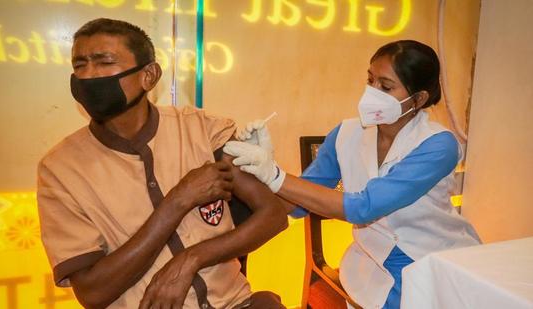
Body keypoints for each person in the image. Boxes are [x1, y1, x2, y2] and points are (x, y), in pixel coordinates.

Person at [36, 18, 288, 309]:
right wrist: (177, 201)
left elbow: (272, 216)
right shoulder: (60, 170)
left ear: (149, 75)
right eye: (80, 65)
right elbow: (93, 293)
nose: (89, 76)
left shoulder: (202, 129)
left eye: (104, 62)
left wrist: (190, 259)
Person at [224, 40, 481, 309]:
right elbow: (295, 205)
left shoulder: (439, 145)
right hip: (369, 263)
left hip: (435, 261)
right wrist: (254, 169)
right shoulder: (346, 135)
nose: (372, 92)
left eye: (385, 86)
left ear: (418, 99)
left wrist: (274, 175)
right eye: (370, 80)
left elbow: (364, 207)